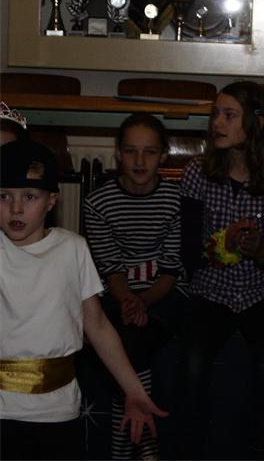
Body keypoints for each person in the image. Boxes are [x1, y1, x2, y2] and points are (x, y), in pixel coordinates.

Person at [0, 140, 167, 460]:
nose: (16, 208)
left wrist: (133, 390)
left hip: (58, 410)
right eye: (4, 196)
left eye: (30, 197)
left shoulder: (72, 249)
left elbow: (97, 324)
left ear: (51, 200)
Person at [177, 81, 264, 459]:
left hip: (261, 291)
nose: (217, 123)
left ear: (256, 123)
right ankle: (192, 450)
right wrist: (222, 246)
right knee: (192, 363)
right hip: (211, 290)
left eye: (229, 115)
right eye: (216, 114)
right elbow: (189, 254)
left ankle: (260, 449)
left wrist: (258, 249)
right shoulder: (197, 173)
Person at [82, 113, 187, 460]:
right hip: (120, 293)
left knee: (135, 347)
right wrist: (130, 300)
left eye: (149, 152)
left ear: (164, 155)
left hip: (164, 292)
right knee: (124, 342)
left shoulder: (175, 200)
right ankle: (138, 442)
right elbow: (111, 270)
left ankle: (133, 442)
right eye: (130, 151)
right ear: (118, 153)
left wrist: (143, 301)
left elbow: (170, 270)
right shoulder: (98, 203)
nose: (140, 161)